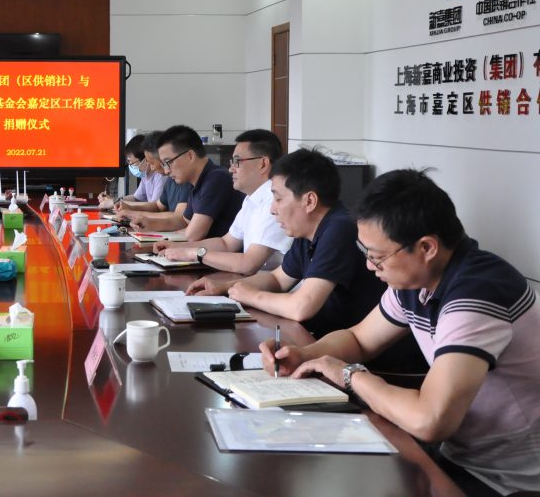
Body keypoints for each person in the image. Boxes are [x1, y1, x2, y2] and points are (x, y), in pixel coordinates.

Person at [261, 170, 540, 496]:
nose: (369, 266)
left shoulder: (477, 295)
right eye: (365, 253)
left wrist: (349, 375)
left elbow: (430, 420)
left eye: (377, 257)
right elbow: (359, 339)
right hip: (458, 456)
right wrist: (304, 355)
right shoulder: (416, 281)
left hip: (509, 479)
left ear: (426, 247)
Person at [188, 148, 385, 337]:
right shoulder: (309, 230)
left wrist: (251, 296)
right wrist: (224, 287)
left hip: (356, 351)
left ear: (309, 201)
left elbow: (301, 307)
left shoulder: (339, 229)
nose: (272, 209)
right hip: (325, 338)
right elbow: (277, 280)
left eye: (278, 199)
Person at [157, 129, 291, 275]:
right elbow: (226, 243)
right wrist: (178, 247)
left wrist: (194, 253)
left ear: (263, 164)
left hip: (269, 285)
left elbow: (248, 264)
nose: (231, 169)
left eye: (237, 162)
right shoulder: (251, 198)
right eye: (231, 162)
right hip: (252, 282)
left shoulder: (272, 201)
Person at [138, 125, 243, 241]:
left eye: (168, 162)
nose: (166, 171)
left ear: (190, 156)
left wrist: (182, 232)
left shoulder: (216, 179)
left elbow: (193, 235)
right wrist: (149, 223)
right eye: (163, 164)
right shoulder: (196, 184)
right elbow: (183, 221)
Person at [114, 132, 190, 231]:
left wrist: (133, 213)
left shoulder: (186, 181)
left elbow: (178, 218)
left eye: (152, 163)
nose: (152, 168)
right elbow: (158, 206)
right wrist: (130, 208)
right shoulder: (171, 179)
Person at [98, 133, 166, 209]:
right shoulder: (146, 175)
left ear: (145, 158)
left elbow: (155, 206)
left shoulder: (161, 176)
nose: (130, 166)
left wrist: (116, 203)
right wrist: (114, 200)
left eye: (132, 162)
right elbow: (136, 198)